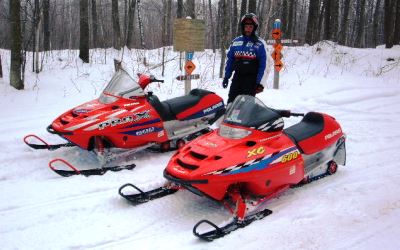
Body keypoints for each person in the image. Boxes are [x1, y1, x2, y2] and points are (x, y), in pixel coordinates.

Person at [222, 13, 268, 104]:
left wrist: (260, 83)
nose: (248, 29)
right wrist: (226, 77)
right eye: (246, 26)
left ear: (254, 28)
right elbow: (230, 61)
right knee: (231, 101)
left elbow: (263, 65)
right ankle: (229, 117)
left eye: (250, 26)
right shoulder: (236, 42)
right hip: (237, 77)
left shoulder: (259, 44)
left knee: (246, 105)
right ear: (243, 27)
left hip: (251, 80)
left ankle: (246, 118)